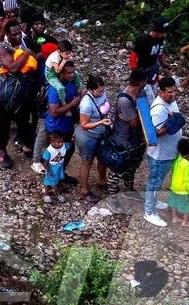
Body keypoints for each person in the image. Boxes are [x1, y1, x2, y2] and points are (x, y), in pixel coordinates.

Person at [0, 19, 39, 169]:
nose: (18, 36)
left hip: (24, 90)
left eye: (20, 33)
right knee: (3, 123)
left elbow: (34, 59)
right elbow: (12, 68)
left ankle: (26, 143)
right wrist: (26, 55)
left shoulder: (25, 43)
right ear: (6, 34)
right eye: (14, 34)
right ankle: (3, 151)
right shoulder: (2, 48)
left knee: (26, 118)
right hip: (7, 92)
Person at [145, 77, 184, 226]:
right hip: (159, 154)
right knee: (154, 182)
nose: (173, 94)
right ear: (160, 92)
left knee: (159, 181)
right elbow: (155, 133)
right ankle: (149, 211)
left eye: (174, 91)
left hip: (170, 151)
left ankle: (153, 202)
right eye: (169, 92)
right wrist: (172, 122)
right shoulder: (159, 109)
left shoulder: (171, 101)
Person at [108, 68, 147, 195]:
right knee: (117, 170)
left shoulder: (141, 93)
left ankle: (129, 190)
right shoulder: (124, 100)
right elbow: (134, 123)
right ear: (141, 82)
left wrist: (136, 113)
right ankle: (112, 197)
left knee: (132, 167)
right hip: (124, 142)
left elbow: (145, 110)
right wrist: (138, 112)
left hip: (137, 140)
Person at [74, 74, 113, 203]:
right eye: (99, 91)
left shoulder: (102, 94)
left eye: (103, 90)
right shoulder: (86, 104)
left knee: (102, 158)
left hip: (101, 133)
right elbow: (84, 125)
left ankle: (102, 181)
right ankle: (84, 189)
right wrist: (101, 123)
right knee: (87, 162)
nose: (102, 93)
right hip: (88, 136)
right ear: (91, 90)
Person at [170, 138, 189, 227]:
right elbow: (188, 180)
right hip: (183, 190)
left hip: (174, 187)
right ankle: (185, 222)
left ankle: (175, 217)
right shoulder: (188, 165)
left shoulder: (177, 159)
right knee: (188, 206)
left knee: (173, 203)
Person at [133, 17, 168, 85]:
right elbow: (134, 56)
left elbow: (159, 52)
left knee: (151, 86)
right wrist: (134, 71)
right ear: (157, 31)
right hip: (143, 69)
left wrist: (163, 63)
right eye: (163, 33)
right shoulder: (144, 41)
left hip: (153, 68)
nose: (164, 35)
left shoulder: (160, 38)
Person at [42, 130, 70, 205]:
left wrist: (73, 140)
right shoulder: (49, 150)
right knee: (48, 181)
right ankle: (46, 194)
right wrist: (47, 170)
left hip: (59, 166)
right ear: (52, 142)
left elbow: (69, 146)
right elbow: (46, 161)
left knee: (59, 181)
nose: (60, 144)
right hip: (51, 167)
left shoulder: (64, 145)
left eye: (61, 142)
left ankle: (58, 193)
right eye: (59, 142)